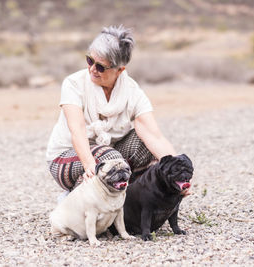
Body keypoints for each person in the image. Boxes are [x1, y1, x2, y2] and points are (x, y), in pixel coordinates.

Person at [46, 25, 181, 198]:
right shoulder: (74, 83)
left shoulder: (132, 92)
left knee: (148, 150)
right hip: (66, 158)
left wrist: (177, 172)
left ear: (120, 70)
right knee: (110, 159)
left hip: (110, 155)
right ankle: (75, 197)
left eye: (101, 67)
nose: (92, 69)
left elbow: (155, 137)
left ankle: (129, 201)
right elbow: (77, 129)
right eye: (89, 60)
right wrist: (90, 166)